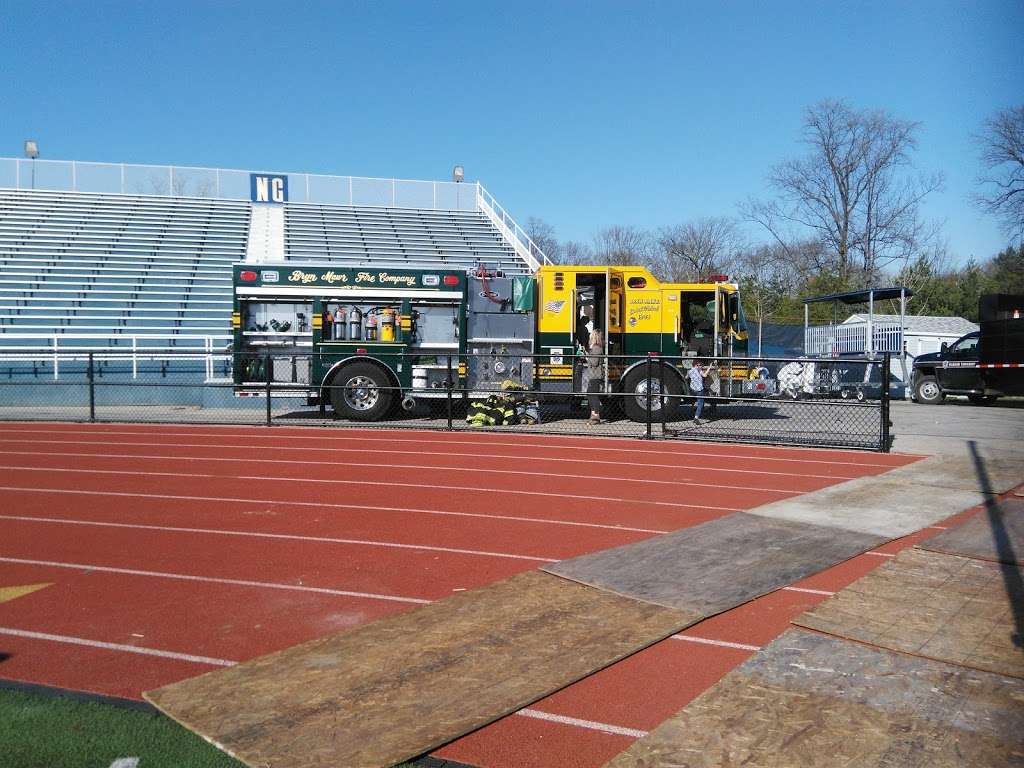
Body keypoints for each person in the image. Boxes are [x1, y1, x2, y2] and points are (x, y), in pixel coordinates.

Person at [582, 329, 605, 424]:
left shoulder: (596, 348)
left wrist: (587, 355)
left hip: (596, 375)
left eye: (591, 335)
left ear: (594, 337)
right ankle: (593, 415)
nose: (589, 337)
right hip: (594, 375)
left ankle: (596, 415)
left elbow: (594, 362)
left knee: (593, 395)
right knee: (590, 394)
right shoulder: (596, 347)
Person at [688, 359, 709, 425]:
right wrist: (709, 368)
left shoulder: (690, 371)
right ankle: (696, 418)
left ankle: (694, 407)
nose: (699, 366)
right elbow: (705, 375)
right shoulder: (699, 370)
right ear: (695, 365)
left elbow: (686, 377)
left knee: (698, 401)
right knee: (700, 403)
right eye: (698, 365)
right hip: (699, 389)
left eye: (700, 365)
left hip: (692, 389)